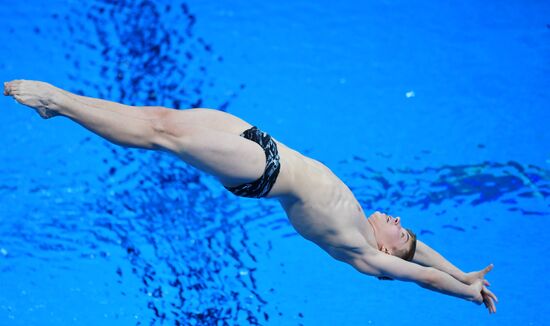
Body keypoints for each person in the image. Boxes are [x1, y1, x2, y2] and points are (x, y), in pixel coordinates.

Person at [4, 79, 498, 313]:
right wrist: (462, 268)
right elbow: (425, 254)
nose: (396, 218)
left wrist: (463, 290)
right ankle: (68, 105)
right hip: (262, 144)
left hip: (262, 171)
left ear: (389, 246)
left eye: (401, 228)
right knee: (159, 118)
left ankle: (60, 103)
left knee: (159, 136)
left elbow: (418, 272)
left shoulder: (368, 254)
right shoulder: (372, 233)